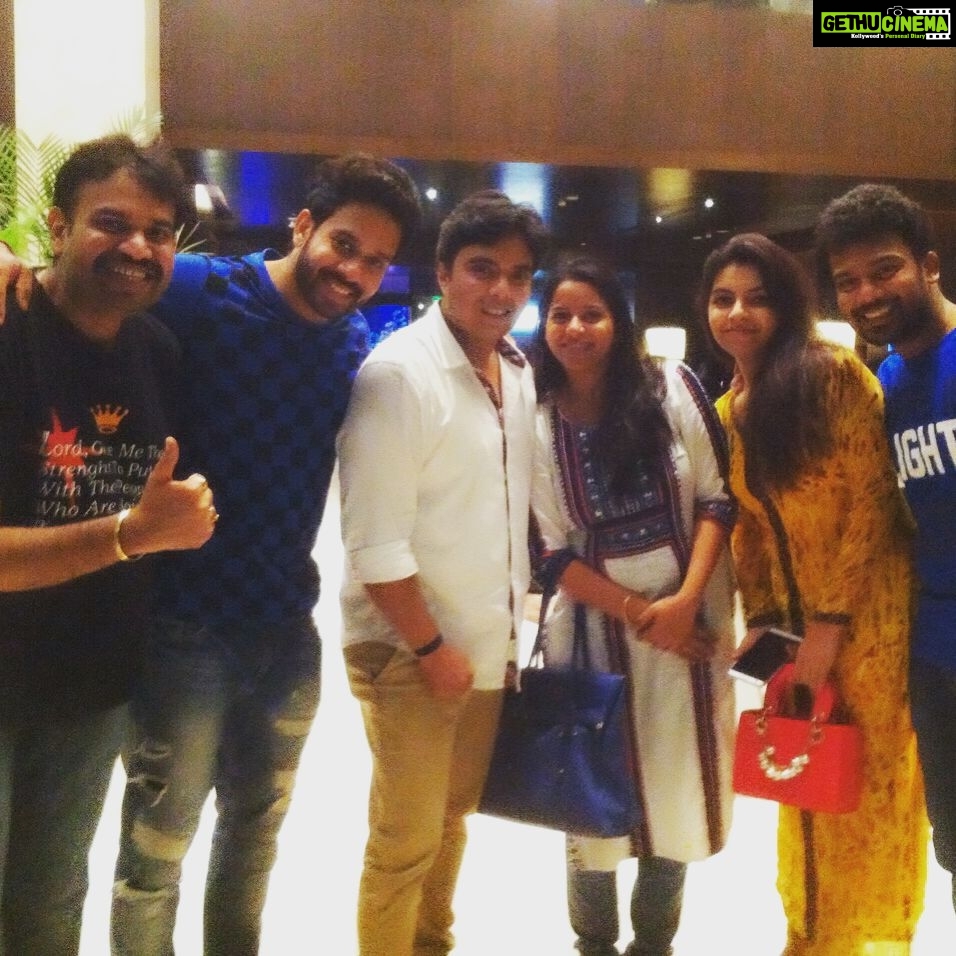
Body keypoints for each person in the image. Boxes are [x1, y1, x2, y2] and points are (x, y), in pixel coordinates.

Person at [100, 153, 422, 956]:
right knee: (158, 846)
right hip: (182, 625)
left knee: (255, 833)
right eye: (344, 244)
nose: (354, 272)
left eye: (376, 261)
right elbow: (87, 288)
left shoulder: (353, 343)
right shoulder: (202, 290)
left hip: (285, 629)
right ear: (302, 225)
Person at [0, 134, 216, 955]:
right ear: (57, 227)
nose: (137, 247)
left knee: (52, 907)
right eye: (112, 223)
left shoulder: (156, 351)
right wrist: (130, 536)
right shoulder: (7, 328)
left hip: (90, 689)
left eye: (158, 232)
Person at [337, 189, 549, 956]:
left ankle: (432, 944)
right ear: (443, 273)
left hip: (482, 646)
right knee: (404, 842)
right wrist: (431, 650)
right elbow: (374, 545)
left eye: (519, 275)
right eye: (482, 269)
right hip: (409, 649)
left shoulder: (516, 371)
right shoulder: (399, 375)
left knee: (453, 819)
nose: (502, 291)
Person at [702, 232, 927, 955]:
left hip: (870, 623)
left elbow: (873, 500)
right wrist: (766, 624)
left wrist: (830, 625)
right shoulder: (730, 410)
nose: (738, 313)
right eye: (723, 299)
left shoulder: (832, 377)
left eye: (758, 298)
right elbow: (748, 531)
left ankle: (870, 940)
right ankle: (808, 933)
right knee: (804, 781)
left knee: (871, 791)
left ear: (787, 306)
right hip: (794, 636)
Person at [529, 255, 737, 956]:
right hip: (593, 639)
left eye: (592, 314)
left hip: (691, 629)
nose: (576, 328)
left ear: (618, 322)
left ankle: (655, 944)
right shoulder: (537, 419)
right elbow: (550, 552)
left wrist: (684, 604)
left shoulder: (671, 387)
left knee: (676, 795)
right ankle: (593, 943)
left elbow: (716, 499)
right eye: (561, 315)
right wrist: (645, 616)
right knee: (590, 802)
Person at [815, 183, 956, 917]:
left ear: (929, 265)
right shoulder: (887, 384)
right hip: (933, 647)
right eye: (848, 281)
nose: (867, 294)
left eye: (885, 269)